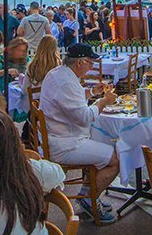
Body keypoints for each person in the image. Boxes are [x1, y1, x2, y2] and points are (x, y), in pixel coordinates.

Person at [39, 43, 120, 223]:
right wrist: (104, 101)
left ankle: (87, 195)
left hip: (59, 135)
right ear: (80, 62)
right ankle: (89, 200)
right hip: (65, 143)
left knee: (106, 144)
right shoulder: (67, 82)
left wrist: (91, 92)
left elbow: (69, 100)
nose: (92, 67)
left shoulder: (58, 73)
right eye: (90, 62)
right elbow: (85, 117)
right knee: (115, 159)